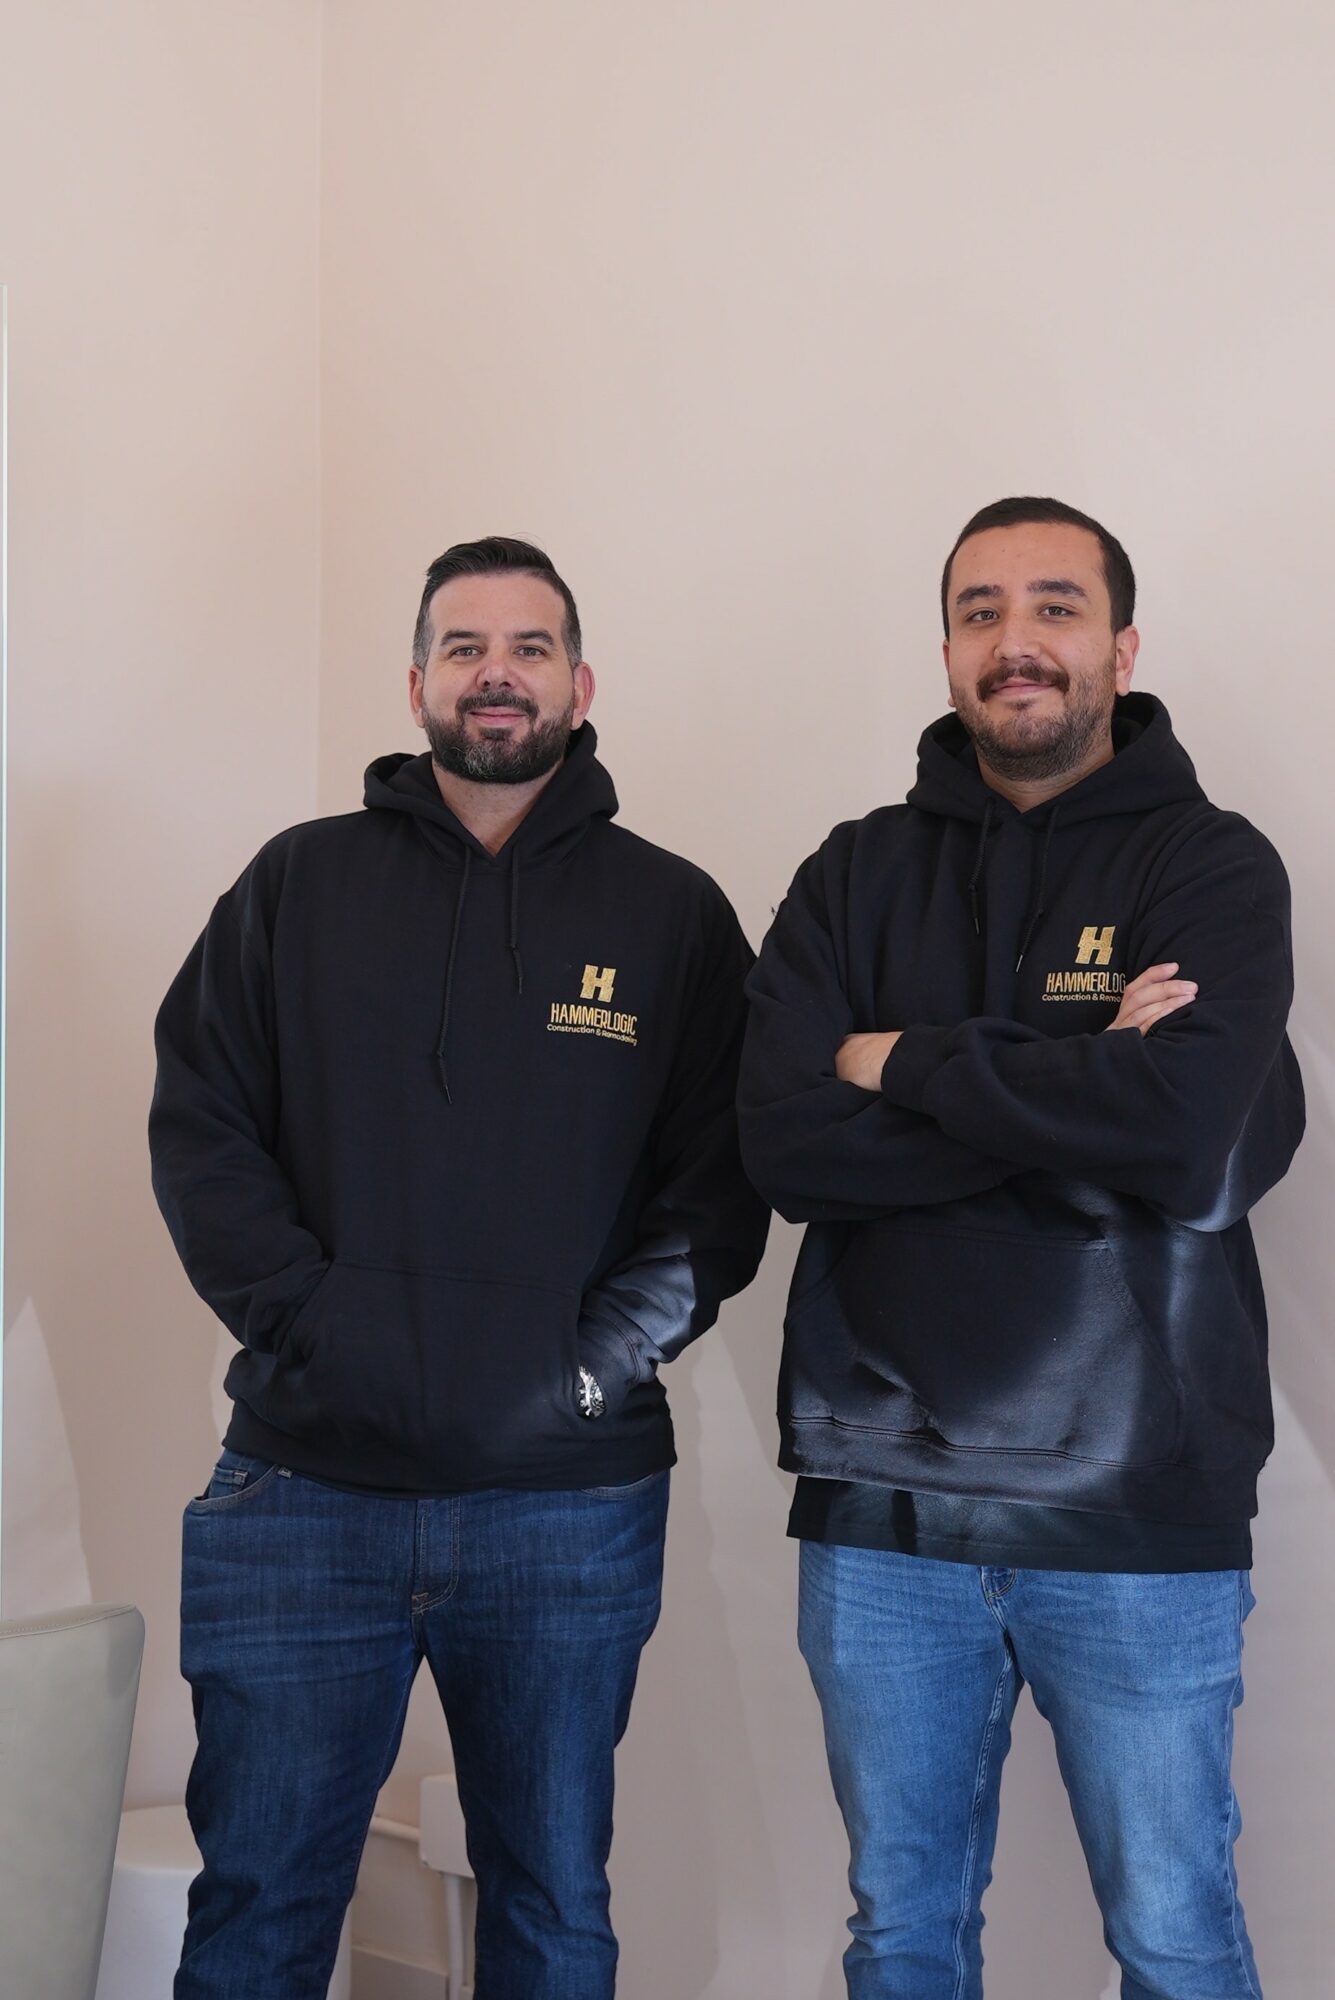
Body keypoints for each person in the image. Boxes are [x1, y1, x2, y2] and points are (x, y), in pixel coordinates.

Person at [151, 535, 768, 2000]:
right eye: (466, 647)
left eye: (530, 647)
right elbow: (203, 1127)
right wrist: (312, 1328)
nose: (498, 674)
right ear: (418, 680)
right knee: (258, 1911)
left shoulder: (673, 915)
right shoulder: (296, 884)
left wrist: (593, 1362)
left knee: (551, 1906)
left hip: (565, 1502)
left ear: (580, 684)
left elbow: (720, 1181)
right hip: (303, 1490)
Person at [738, 496, 1303, 2000]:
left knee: (1176, 1941)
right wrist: (1084, 1079)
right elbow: (783, 1144)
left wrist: (906, 1061)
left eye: (1056, 606)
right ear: (946, 653)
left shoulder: (1212, 866)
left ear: (1123, 644)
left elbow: (1192, 1142)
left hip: (1139, 1496)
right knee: (903, 1938)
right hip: (881, 1496)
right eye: (981, 612)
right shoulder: (855, 871)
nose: (1017, 641)